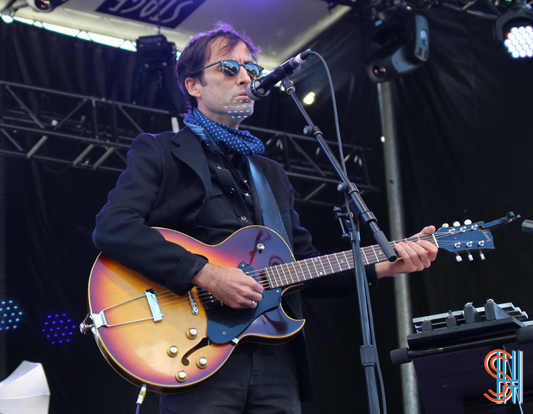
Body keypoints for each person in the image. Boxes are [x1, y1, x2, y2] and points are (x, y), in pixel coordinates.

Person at [92, 23, 438, 413]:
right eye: (228, 68)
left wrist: (382, 265)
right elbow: (114, 227)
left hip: (275, 358)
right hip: (195, 349)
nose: (245, 77)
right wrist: (204, 273)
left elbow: (304, 266)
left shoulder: (270, 173)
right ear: (193, 85)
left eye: (251, 69)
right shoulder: (159, 152)